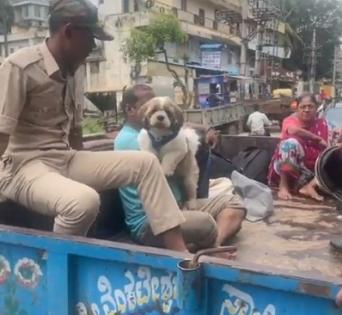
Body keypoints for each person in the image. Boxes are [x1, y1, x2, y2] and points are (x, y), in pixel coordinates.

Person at [0, 0, 189, 252]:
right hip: (24, 166)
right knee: (83, 201)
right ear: (68, 32)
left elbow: (76, 133)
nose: (93, 47)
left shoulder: (75, 71)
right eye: (91, 38)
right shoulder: (19, 67)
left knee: (146, 163)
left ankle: (180, 253)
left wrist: (89, 170)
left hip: (64, 159)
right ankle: (58, 272)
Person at [114, 85, 245, 251]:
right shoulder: (131, 140)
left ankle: (211, 246)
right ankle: (207, 246)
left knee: (234, 203)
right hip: (152, 221)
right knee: (205, 222)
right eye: (150, 106)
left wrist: (204, 129)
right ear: (130, 109)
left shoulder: (157, 134)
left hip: (178, 207)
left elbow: (179, 128)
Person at [268, 93, 328, 201]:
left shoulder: (321, 123)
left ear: (316, 108)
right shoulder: (290, 120)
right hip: (290, 168)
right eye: (303, 107)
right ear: (297, 109)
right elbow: (293, 130)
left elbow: (325, 147)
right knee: (289, 144)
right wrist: (317, 138)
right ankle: (284, 186)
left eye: (310, 106)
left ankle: (309, 187)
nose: (306, 110)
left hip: (313, 171)